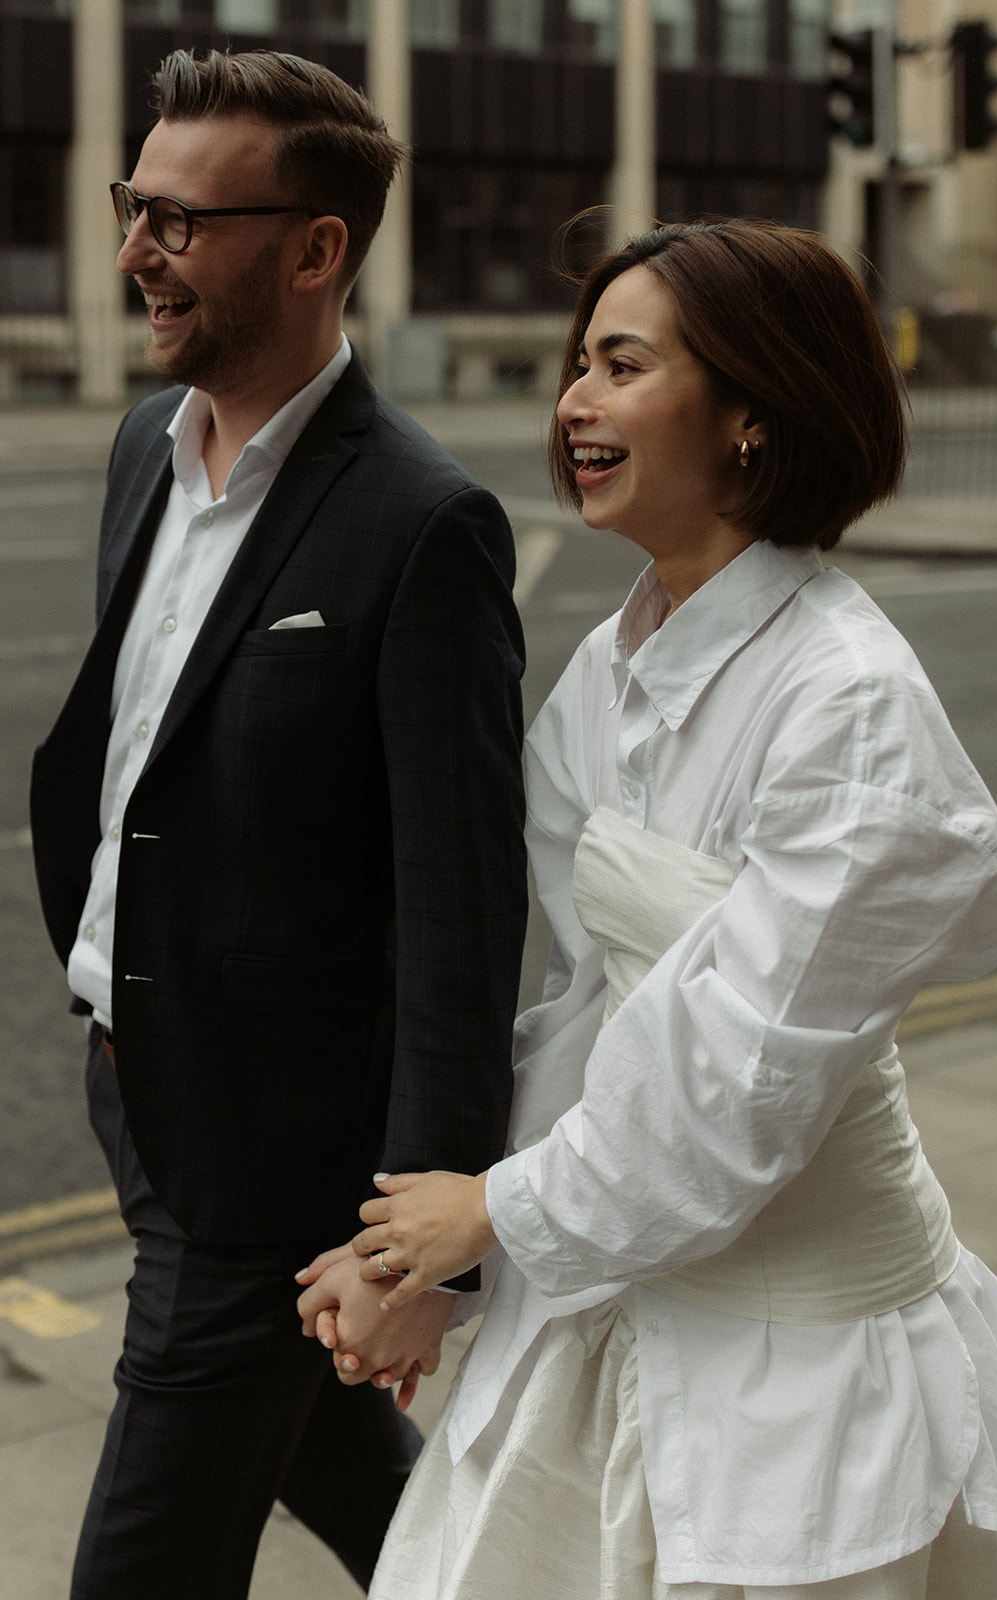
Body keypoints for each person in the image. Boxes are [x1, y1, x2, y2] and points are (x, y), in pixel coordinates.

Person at [299, 220, 997, 1599]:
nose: (572, 403)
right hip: (618, 1295)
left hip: (808, 1375)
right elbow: (593, 1012)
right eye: (575, 364)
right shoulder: (614, 658)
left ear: (753, 414)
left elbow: (734, 1091)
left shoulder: (850, 704)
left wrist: (487, 1219)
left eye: (621, 364)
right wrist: (432, 1262)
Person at [29, 46, 526, 1600]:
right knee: (342, 1465)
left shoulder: (419, 522)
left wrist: (413, 1246)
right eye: (133, 209)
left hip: (274, 1156)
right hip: (136, 1086)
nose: (132, 255)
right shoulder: (144, 451)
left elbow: (459, 907)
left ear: (315, 249)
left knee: (142, 1563)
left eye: (178, 222)